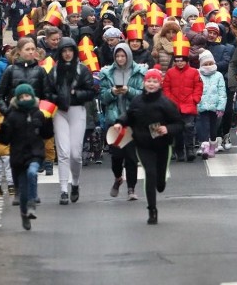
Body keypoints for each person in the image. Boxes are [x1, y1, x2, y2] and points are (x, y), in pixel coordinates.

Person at [114, 67, 184, 225]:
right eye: (149, 81)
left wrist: (168, 129)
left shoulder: (166, 103)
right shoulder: (137, 101)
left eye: (155, 81)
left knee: (159, 180)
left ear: (160, 84)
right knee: (150, 174)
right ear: (144, 83)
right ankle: (152, 209)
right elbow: (129, 116)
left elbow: (179, 124)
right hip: (143, 143)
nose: (151, 84)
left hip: (162, 144)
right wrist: (120, 122)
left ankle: (161, 181)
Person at [45, 36, 95, 205]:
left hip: (77, 110)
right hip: (60, 111)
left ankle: (75, 183)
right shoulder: (54, 70)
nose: (67, 54)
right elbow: (47, 92)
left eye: (70, 51)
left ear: (74, 52)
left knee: (76, 153)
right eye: (64, 51)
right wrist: (58, 97)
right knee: (63, 153)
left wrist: (75, 94)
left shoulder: (82, 70)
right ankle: (63, 190)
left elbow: (91, 92)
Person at [0, 84, 54, 230]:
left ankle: (32, 202)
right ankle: (24, 213)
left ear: (32, 96)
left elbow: (47, 134)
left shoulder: (38, 113)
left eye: (27, 96)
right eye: (21, 97)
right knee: (22, 190)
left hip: (35, 153)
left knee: (32, 172)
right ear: (17, 98)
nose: (24, 99)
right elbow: (3, 140)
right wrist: (4, 129)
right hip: (18, 157)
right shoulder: (12, 115)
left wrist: (48, 122)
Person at [99, 43, 145, 200]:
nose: (120, 59)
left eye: (123, 56)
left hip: (132, 120)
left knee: (131, 157)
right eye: (117, 56)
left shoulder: (138, 72)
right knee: (117, 157)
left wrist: (129, 91)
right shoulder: (107, 73)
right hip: (114, 120)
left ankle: (131, 188)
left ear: (128, 56)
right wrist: (112, 92)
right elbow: (102, 97)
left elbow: (142, 95)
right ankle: (118, 178)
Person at [162, 34, 203, 162]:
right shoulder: (170, 72)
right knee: (177, 130)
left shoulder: (194, 72)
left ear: (186, 60)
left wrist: (195, 99)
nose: (179, 63)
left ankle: (190, 149)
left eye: (182, 60)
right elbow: (166, 88)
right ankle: (179, 151)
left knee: (189, 127)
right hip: (174, 106)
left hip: (189, 104)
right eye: (177, 60)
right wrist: (169, 101)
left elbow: (198, 86)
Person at [196, 49, 227, 160]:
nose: (208, 66)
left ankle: (212, 146)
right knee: (202, 126)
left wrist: (221, 107)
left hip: (215, 106)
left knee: (213, 127)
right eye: (205, 64)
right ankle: (204, 146)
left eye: (210, 63)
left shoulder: (218, 75)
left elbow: (222, 92)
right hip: (202, 105)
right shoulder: (197, 74)